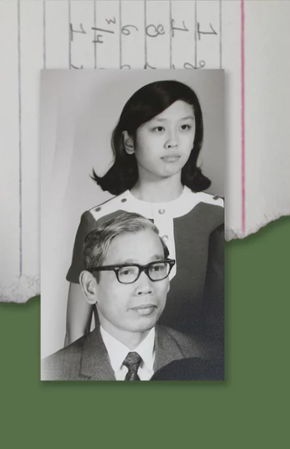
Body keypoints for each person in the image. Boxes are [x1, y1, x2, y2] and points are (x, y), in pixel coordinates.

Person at [64, 80, 225, 350]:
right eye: (158, 128)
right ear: (129, 141)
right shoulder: (97, 220)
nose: (173, 141)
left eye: (184, 127)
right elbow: (75, 338)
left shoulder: (222, 215)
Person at [43, 212, 219, 381]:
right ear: (90, 287)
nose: (146, 287)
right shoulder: (51, 373)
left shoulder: (209, 361)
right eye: (126, 272)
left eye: (156, 268)